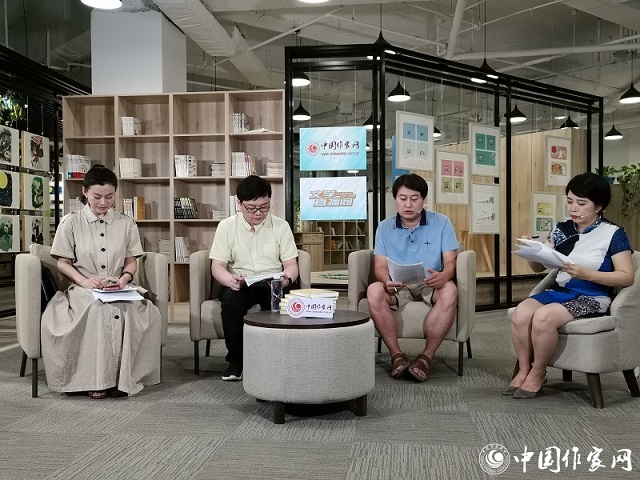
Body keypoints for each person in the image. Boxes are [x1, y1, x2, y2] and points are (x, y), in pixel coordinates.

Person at [506, 172, 634, 399]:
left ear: (599, 206)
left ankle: (538, 372)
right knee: (521, 313)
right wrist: (531, 250)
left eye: (581, 203)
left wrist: (587, 274)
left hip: (592, 296)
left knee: (543, 317)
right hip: (560, 291)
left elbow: (626, 277)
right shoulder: (561, 229)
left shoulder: (614, 234)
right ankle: (524, 369)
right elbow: (539, 268)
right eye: (570, 201)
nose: (573, 208)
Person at [41, 164, 161, 399]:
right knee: (98, 309)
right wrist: (85, 281)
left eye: (109, 196)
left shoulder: (126, 223)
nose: (103, 202)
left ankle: (121, 379)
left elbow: (131, 262)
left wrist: (125, 278)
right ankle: (97, 380)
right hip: (83, 287)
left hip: (118, 286)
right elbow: (63, 263)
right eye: (97, 197)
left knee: (127, 309)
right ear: (85, 192)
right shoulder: (70, 223)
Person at [367, 173, 459, 382]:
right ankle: (396, 356)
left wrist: (444, 276)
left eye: (414, 198)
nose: (408, 204)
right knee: (374, 290)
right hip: (398, 286)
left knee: (450, 290)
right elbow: (379, 266)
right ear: (395, 199)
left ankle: (426, 357)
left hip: (430, 284)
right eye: (402, 198)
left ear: (423, 200)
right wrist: (385, 280)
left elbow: (451, 262)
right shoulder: (384, 227)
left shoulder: (442, 222)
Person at [210, 175, 298, 381]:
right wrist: (230, 280)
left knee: (279, 300)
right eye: (252, 208)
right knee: (232, 302)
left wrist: (286, 279)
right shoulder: (226, 227)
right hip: (240, 283)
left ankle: (277, 360)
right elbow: (218, 266)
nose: (258, 213)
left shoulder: (281, 226)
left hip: (272, 282)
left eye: (264, 207)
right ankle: (235, 361)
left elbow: (291, 264)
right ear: (239, 203)